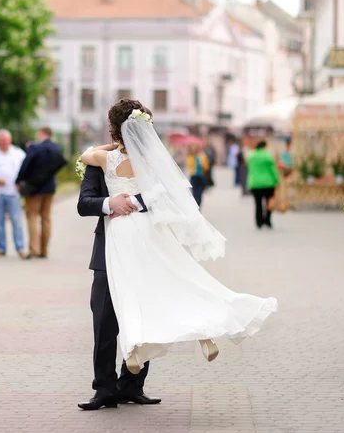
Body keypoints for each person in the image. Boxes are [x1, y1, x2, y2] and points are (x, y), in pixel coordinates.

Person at [77, 98, 277, 410]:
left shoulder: (132, 159)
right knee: (104, 321)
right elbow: (83, 203)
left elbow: (164, 197)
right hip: (109, 251)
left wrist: (131, 201)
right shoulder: (101, 162)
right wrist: (109, 203)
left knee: (152, 307)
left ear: (113, 128)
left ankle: (131, 385)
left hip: (142, 245)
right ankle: (104, 390)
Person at [16, 127, 66, 259]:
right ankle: (44, 250)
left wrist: (19, 180)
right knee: (46, 218)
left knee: (32, 217)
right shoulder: (56, 148)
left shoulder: (34, 147)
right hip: (49, 188)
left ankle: (34, 249)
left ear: (41, 133)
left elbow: (25, 165)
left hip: (34, 188)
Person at [0, 130, 27, 259]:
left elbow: (25, 169)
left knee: (16, 221)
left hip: (13, 192)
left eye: (6, 140)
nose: (4, 143)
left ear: (10, 140)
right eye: (2, 141)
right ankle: (1, 248)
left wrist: (21, 183)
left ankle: (20, 248)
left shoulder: (18, 154)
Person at [246, 140, 281, 229]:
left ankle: (259, 222)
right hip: (268, 183)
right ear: (264, 147)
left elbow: (250, 168)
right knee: (268, 202)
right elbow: (273, 169)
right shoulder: (267, 156)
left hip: (255, 183)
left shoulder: (251, 156)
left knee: (258, 204)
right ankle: (267, 220)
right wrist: (277, 180)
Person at [185, 143, 210, 208]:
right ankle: (196, 207)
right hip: (194, 177)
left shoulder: (202, 155)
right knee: (195, 194)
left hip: (201, 177)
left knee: (200, 193)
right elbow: (189, 164)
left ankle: (198, 205)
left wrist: (202, 164)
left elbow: (207, 166)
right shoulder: (190, 156)